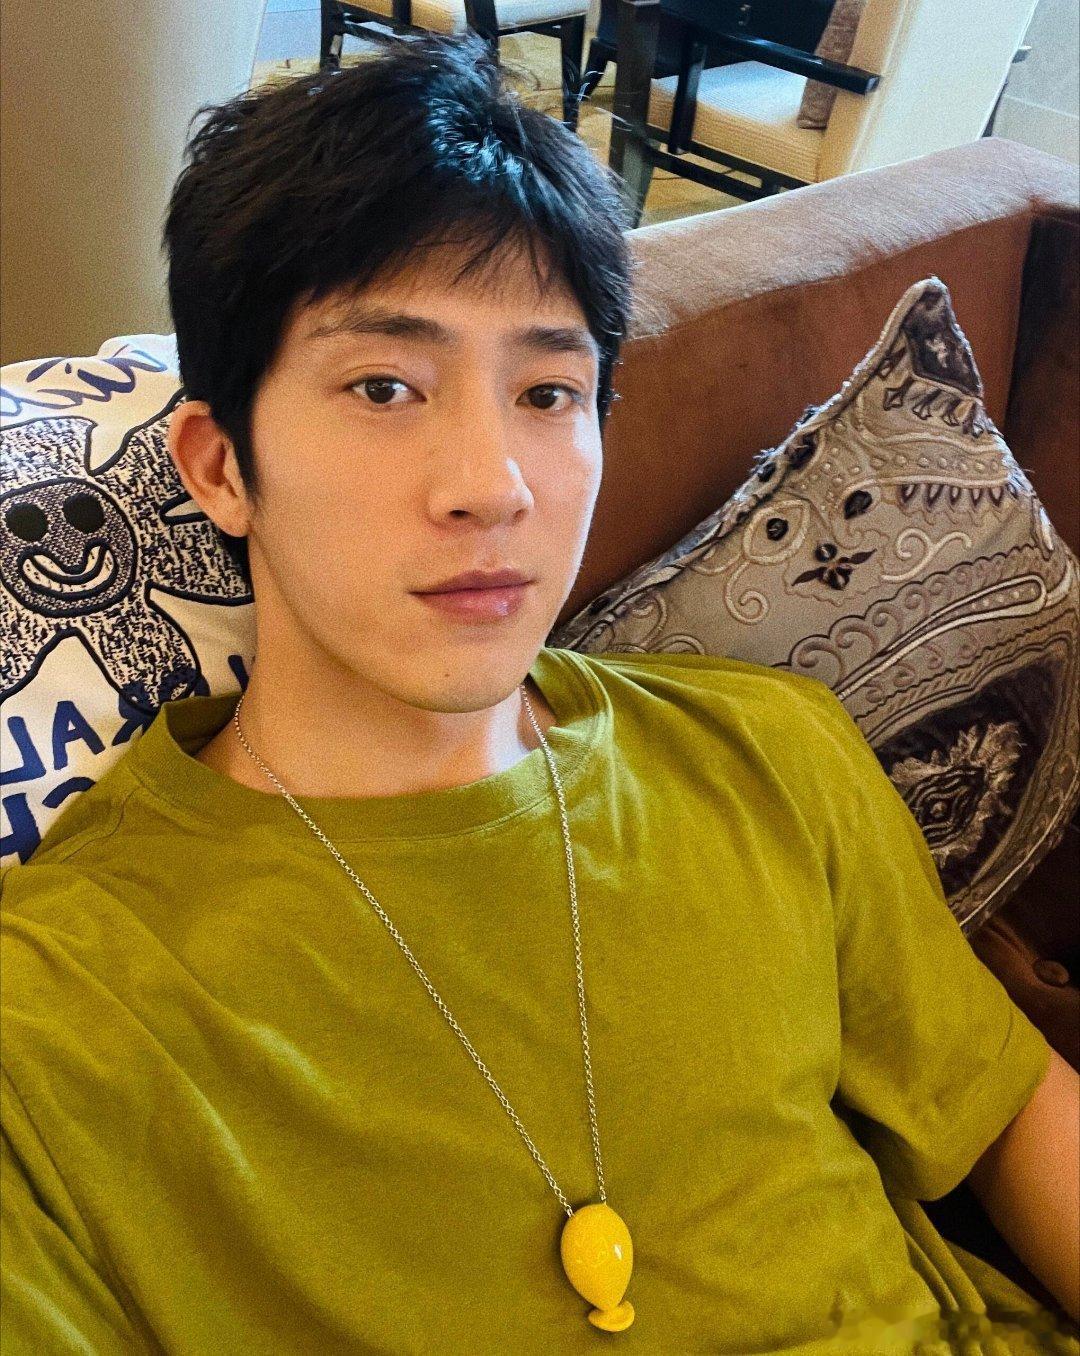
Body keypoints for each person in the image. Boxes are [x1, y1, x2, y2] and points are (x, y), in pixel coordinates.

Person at [1, 32, 1077, 1356]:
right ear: (222, 468)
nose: (492, 484)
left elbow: (1009, 1110)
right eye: (386, 386)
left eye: (548, 391)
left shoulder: (766, 750)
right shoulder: (55, 1021)